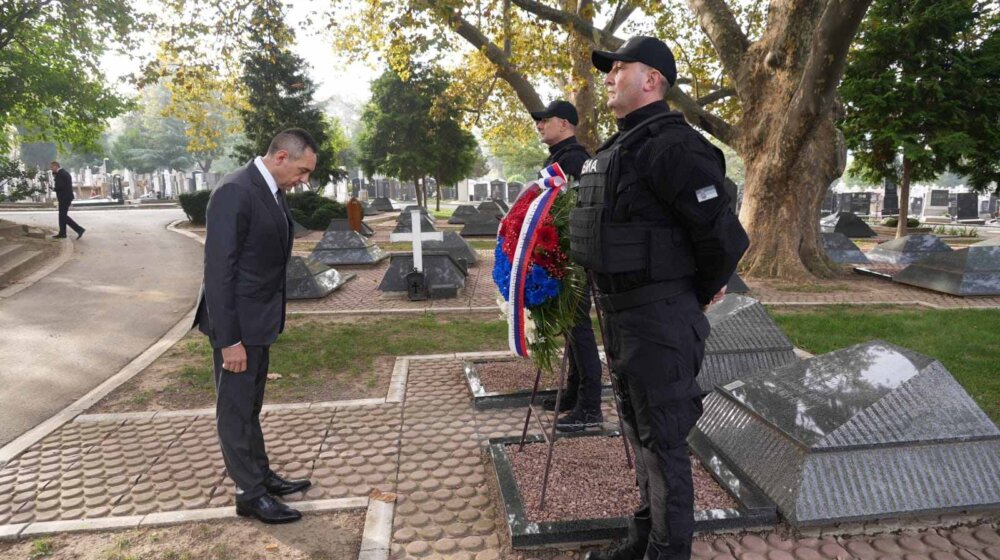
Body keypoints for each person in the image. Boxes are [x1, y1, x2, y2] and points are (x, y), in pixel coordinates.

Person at [573, 37, 750, 560]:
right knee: (642, 434)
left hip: (659, 320)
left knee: (665, 442)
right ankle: (645, 540)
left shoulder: (675, 147)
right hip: (625, 319)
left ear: (651, 80)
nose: (608, 76)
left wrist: (688, 297)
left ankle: (668, 552)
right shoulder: (623, 147)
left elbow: (723, 240)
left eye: (618, 67)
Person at [193, 128, 318, 524]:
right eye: (302, 170)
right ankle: (249, 493)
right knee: (234, 410)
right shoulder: (235, 191)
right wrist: (229, 340)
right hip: (237, 328)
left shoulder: (272, 191)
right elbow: (218, 272)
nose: (304, 180)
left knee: (250, 407)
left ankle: (260, 475)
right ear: (281, 157)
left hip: (259, 323)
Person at [529, 100, 603, 432]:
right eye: (538, 122)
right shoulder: (560, 158)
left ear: (564, 123)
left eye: (545, 121)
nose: (539, 126)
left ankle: (590, 406)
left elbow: (576, 210)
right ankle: (574, 393)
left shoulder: (575, 160)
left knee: (580, 330)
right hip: (562, 255)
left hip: (572, 257)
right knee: (572, 329)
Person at [49, 162, 85, 239]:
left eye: (52, 167)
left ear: (56, 166)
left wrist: (54, 188)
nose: (51, 169)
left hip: (64, 197)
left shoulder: (61, 174)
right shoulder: (63, 173)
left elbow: (60, 186)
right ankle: (63, 233)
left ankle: (79, 229)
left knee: (63, 216)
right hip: (66, 197)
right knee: (62, 216)